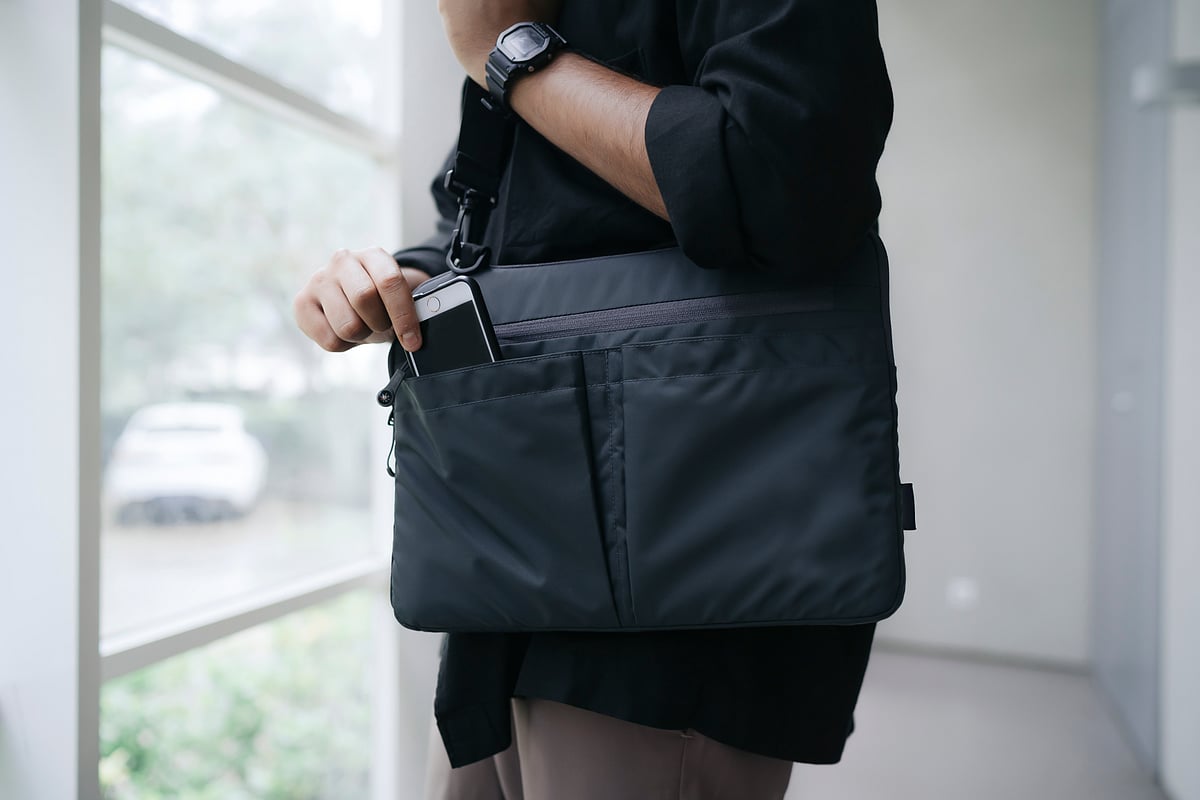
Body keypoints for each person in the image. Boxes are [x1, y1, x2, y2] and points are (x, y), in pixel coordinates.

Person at [294, 1, 893, 797]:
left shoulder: (504, 26)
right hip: (505, 587)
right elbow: (495, 231)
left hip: (683, 620)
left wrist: (507, 53)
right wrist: (404, 283)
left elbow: (782, 182)